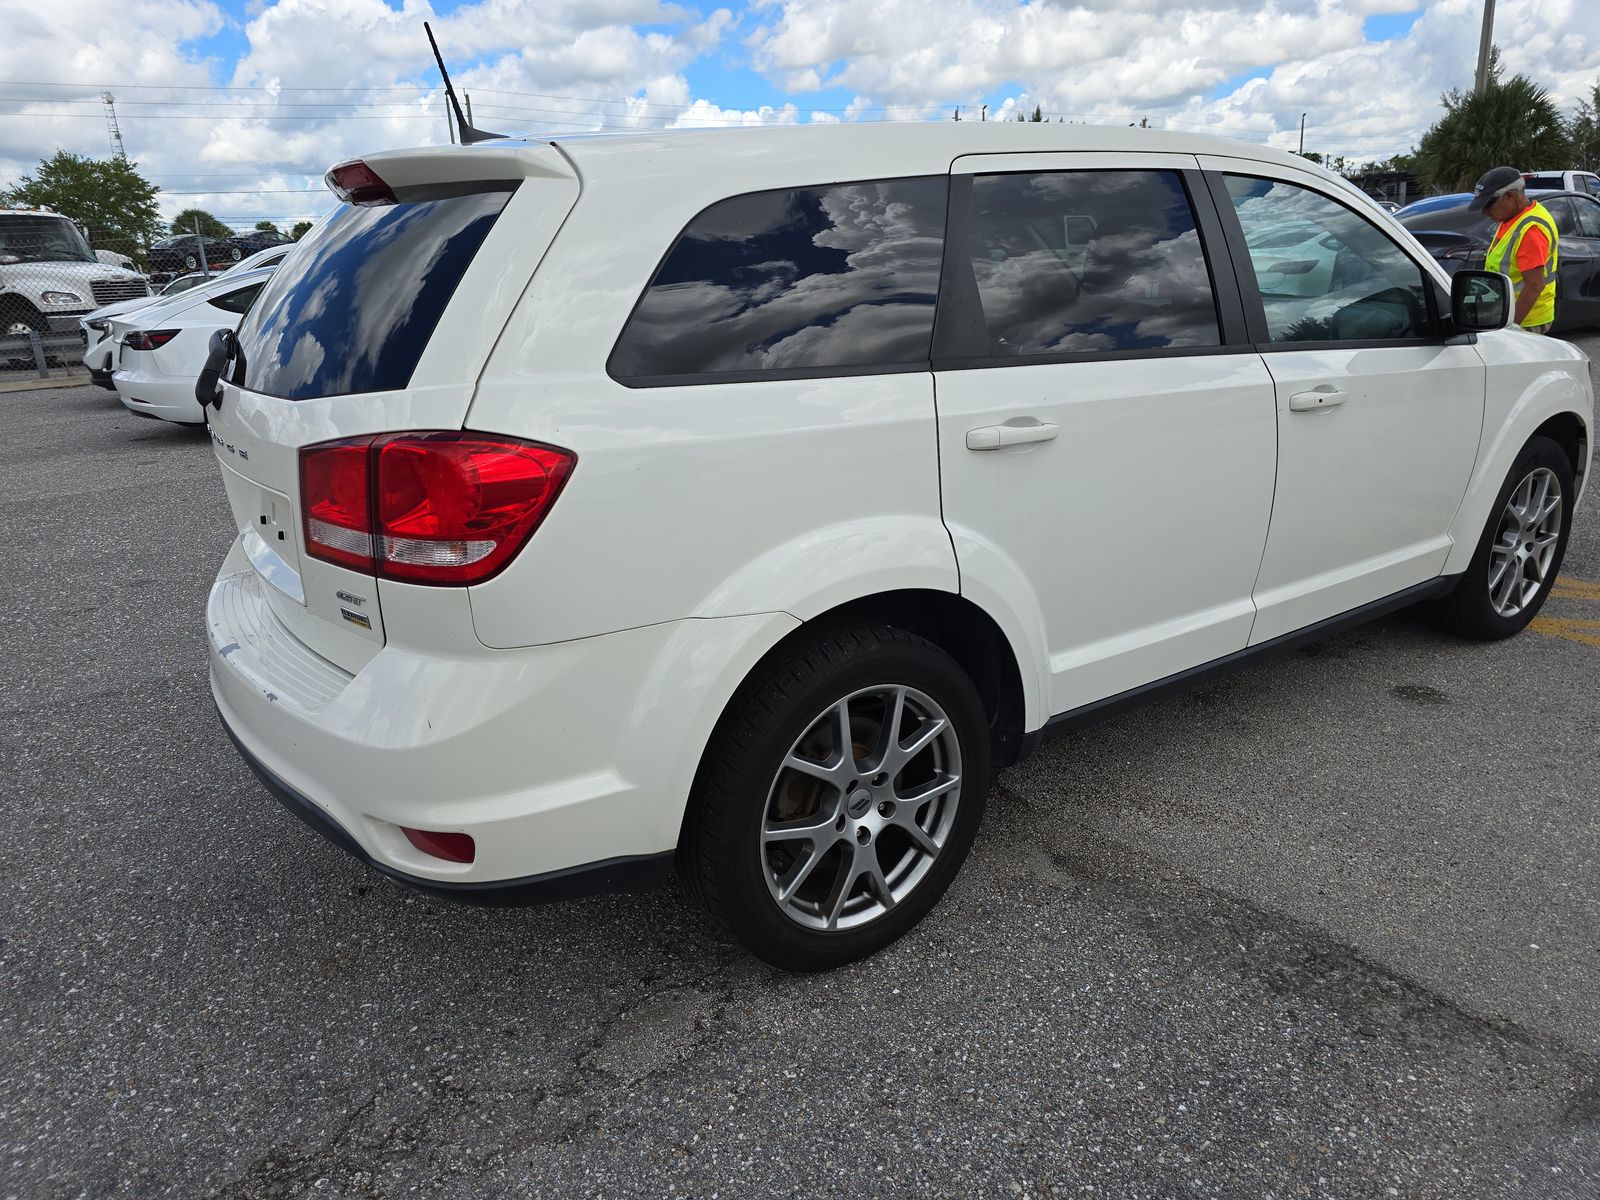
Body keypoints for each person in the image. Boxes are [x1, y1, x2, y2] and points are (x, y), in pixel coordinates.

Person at [1468, 165, 1559, 334]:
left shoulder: (1530, 229)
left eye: (1488, 204)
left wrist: (1509, 329)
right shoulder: (1511, 219)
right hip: (1506, 314)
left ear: (1509, 196)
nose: (1484, 211)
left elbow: (1534, 285)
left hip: (1525, 321)